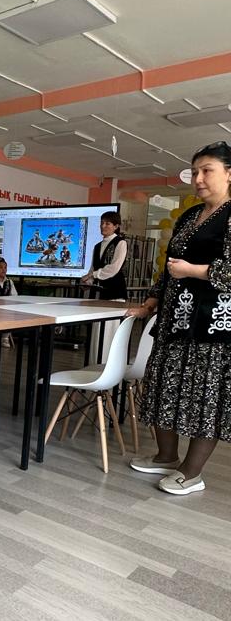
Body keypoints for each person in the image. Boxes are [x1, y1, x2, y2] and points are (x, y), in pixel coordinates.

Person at [127, 142, 231, 496]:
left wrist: (194, 271)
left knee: (205, 399)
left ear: (229, 174)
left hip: (213, 327)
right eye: (195, 171)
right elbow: (169, 266)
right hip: (175, 320)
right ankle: (166, 456)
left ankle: (192, 472)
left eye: (207, 171)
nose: (198, 179)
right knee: (161, 387)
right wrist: (151, 301)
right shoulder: (189, 216)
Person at [82, 211, 128, 300]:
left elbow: (114, 268)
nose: (103, 226)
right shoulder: (97, 246)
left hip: (115, 292)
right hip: (98, 293)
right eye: (102, 223)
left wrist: (92, 275)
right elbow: (93, 268)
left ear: (116, 226)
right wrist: (87, 282)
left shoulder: (120, 242)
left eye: (107, 224)